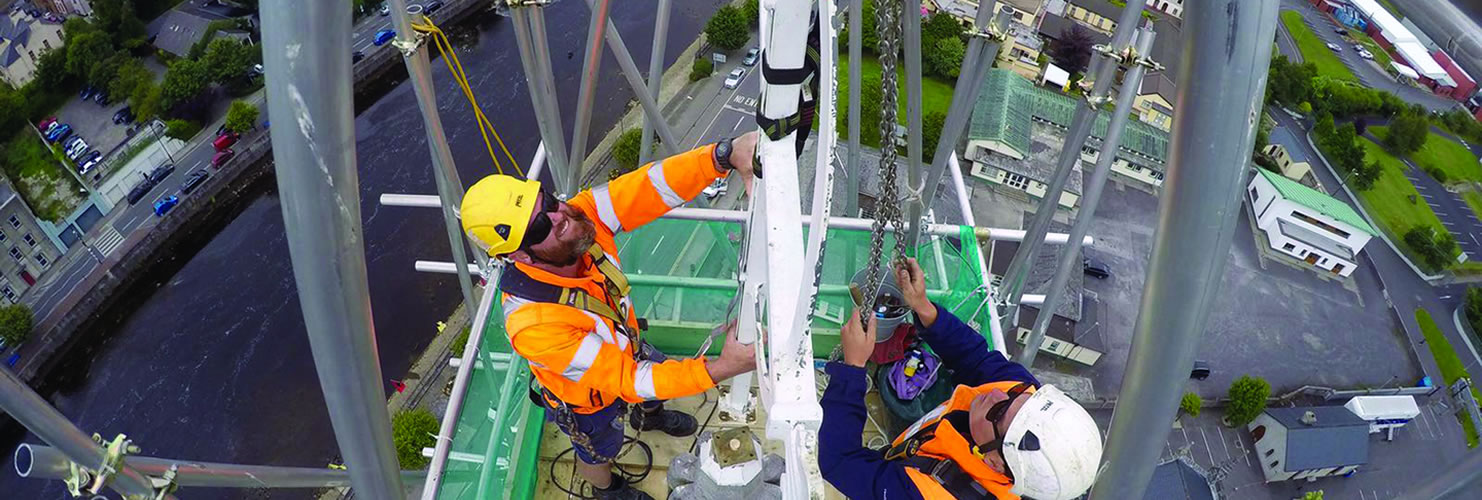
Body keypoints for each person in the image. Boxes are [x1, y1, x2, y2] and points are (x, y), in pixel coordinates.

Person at [460, 132, 762, 500]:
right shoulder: (533, 324)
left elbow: (649, 187)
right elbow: (626, 379)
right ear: (519, 257)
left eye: (548, 202)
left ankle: (649, 416)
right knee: (597, 448)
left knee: (656, 376)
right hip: (589, 399)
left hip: (626, 343)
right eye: (539, 227)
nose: (559, 217)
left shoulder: (580, 218)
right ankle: (608, 489)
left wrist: (723, 155)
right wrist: (721, 367)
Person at [818, 258, 1103, 500]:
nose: (997, 394)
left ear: (995, 462)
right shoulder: (1020, 396)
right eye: (1021, 396)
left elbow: (839, 461)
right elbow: (975, 358)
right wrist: (924, 307)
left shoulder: (929, 493)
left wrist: (853, 369)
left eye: (1000, 412)